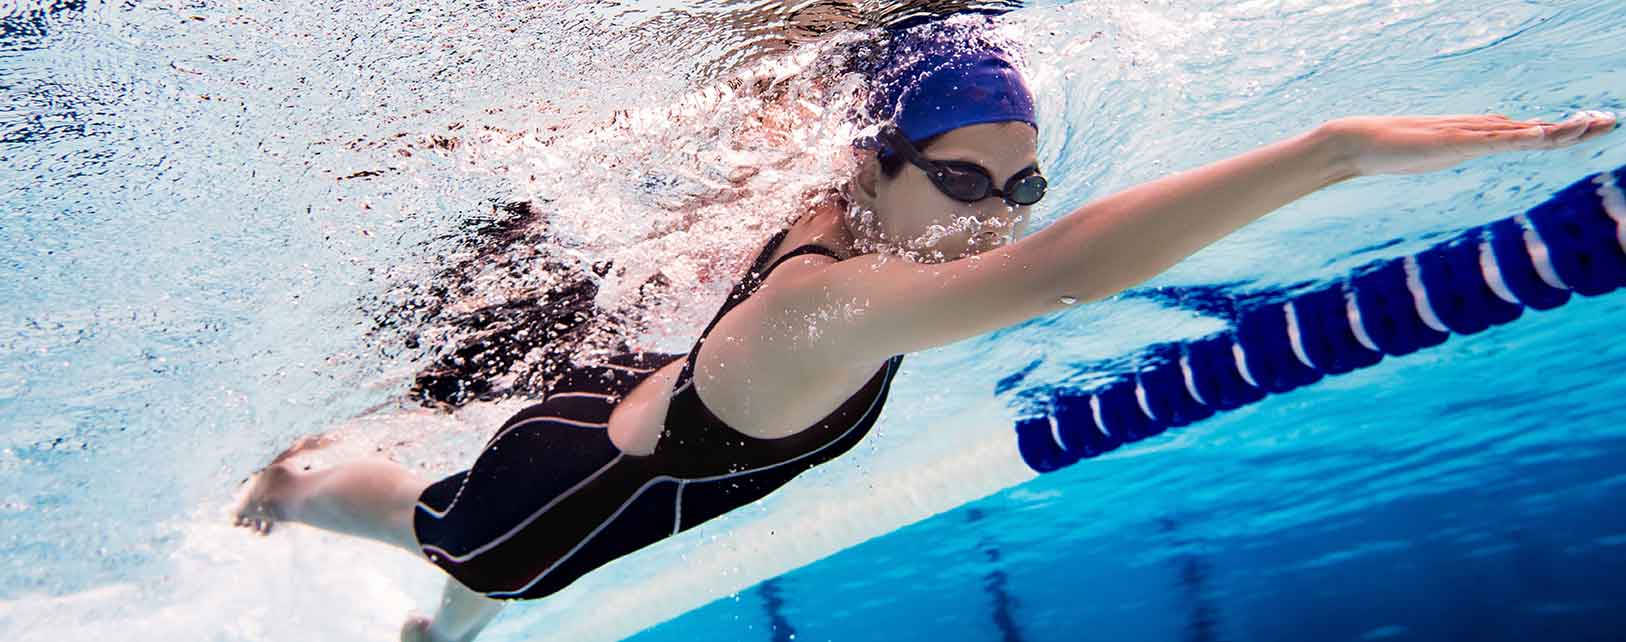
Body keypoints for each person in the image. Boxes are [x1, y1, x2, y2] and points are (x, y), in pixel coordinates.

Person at [230, 14, 1619, 642]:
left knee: (495, 579)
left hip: (644, 403)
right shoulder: (840, 295)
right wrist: (1331, 149)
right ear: (882, 166)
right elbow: (1067, 275)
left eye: (1022, 186)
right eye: (962, 183)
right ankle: (292, 486)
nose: (995, 218)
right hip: (559, 488)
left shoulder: (847, 209)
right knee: (459, 543)